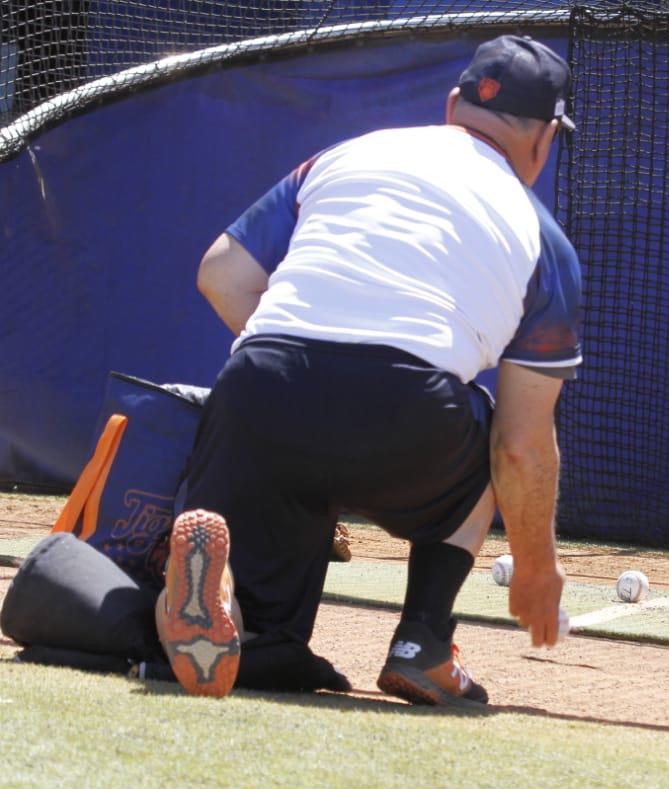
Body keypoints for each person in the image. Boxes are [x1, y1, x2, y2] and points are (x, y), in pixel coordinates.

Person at [158, 34, 582, 702]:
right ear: (546, 137)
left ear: (453, 105)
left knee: (266, 597)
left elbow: (220, 275)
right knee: (495, 432)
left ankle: (231, 612)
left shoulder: (346, 155)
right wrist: (536, 566)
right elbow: (523, 447)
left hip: (261, 391)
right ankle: (423, 644)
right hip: (408, 415)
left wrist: (306, 366)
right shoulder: (545, 242)